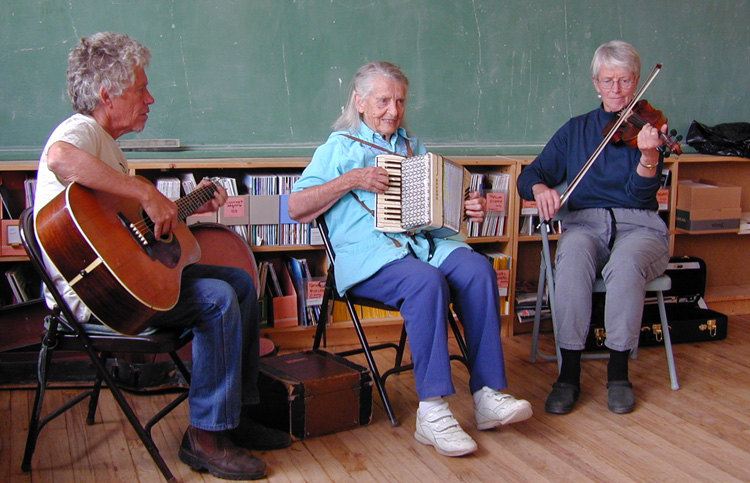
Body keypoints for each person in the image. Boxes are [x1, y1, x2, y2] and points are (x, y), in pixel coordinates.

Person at [33, 32, 289, 480]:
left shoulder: (108, 149)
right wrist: (144, 191)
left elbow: (130, 238)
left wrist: (183, 209)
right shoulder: (80, 131)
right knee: (217, 298)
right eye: (140, 89)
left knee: (243, 283)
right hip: (96, 297)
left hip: (121, 280)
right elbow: (59, 157)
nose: (149, 98)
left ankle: (235, 415)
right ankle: (206, 438)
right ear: (107, 95)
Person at [287, 61, 532, 457]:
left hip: (421, 248)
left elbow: (431, 216)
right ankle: (432, 412)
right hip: (368, 260)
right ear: (360, 102)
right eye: (383, 100)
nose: (393, 110)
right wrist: (353, 179)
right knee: (425, 282)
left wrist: (465, 207)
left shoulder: (411, 147)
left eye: (399, 101)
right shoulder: (339, 148)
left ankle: (488, 395)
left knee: (476, 269)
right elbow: (296, 208)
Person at [517, 40, 670, 415]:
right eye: (608, 80)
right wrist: (540, 189)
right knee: (571, 256)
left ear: (636, 82)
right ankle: (568, 375)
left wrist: (649, 157)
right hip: (585, 224)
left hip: (641, 227)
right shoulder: (575, 131)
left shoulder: (648, 130)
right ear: (595, 84)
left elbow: (640, 195)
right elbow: (530, 175)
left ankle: (619, 374)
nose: (616, 90)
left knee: (626, 263)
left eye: (624, 80)